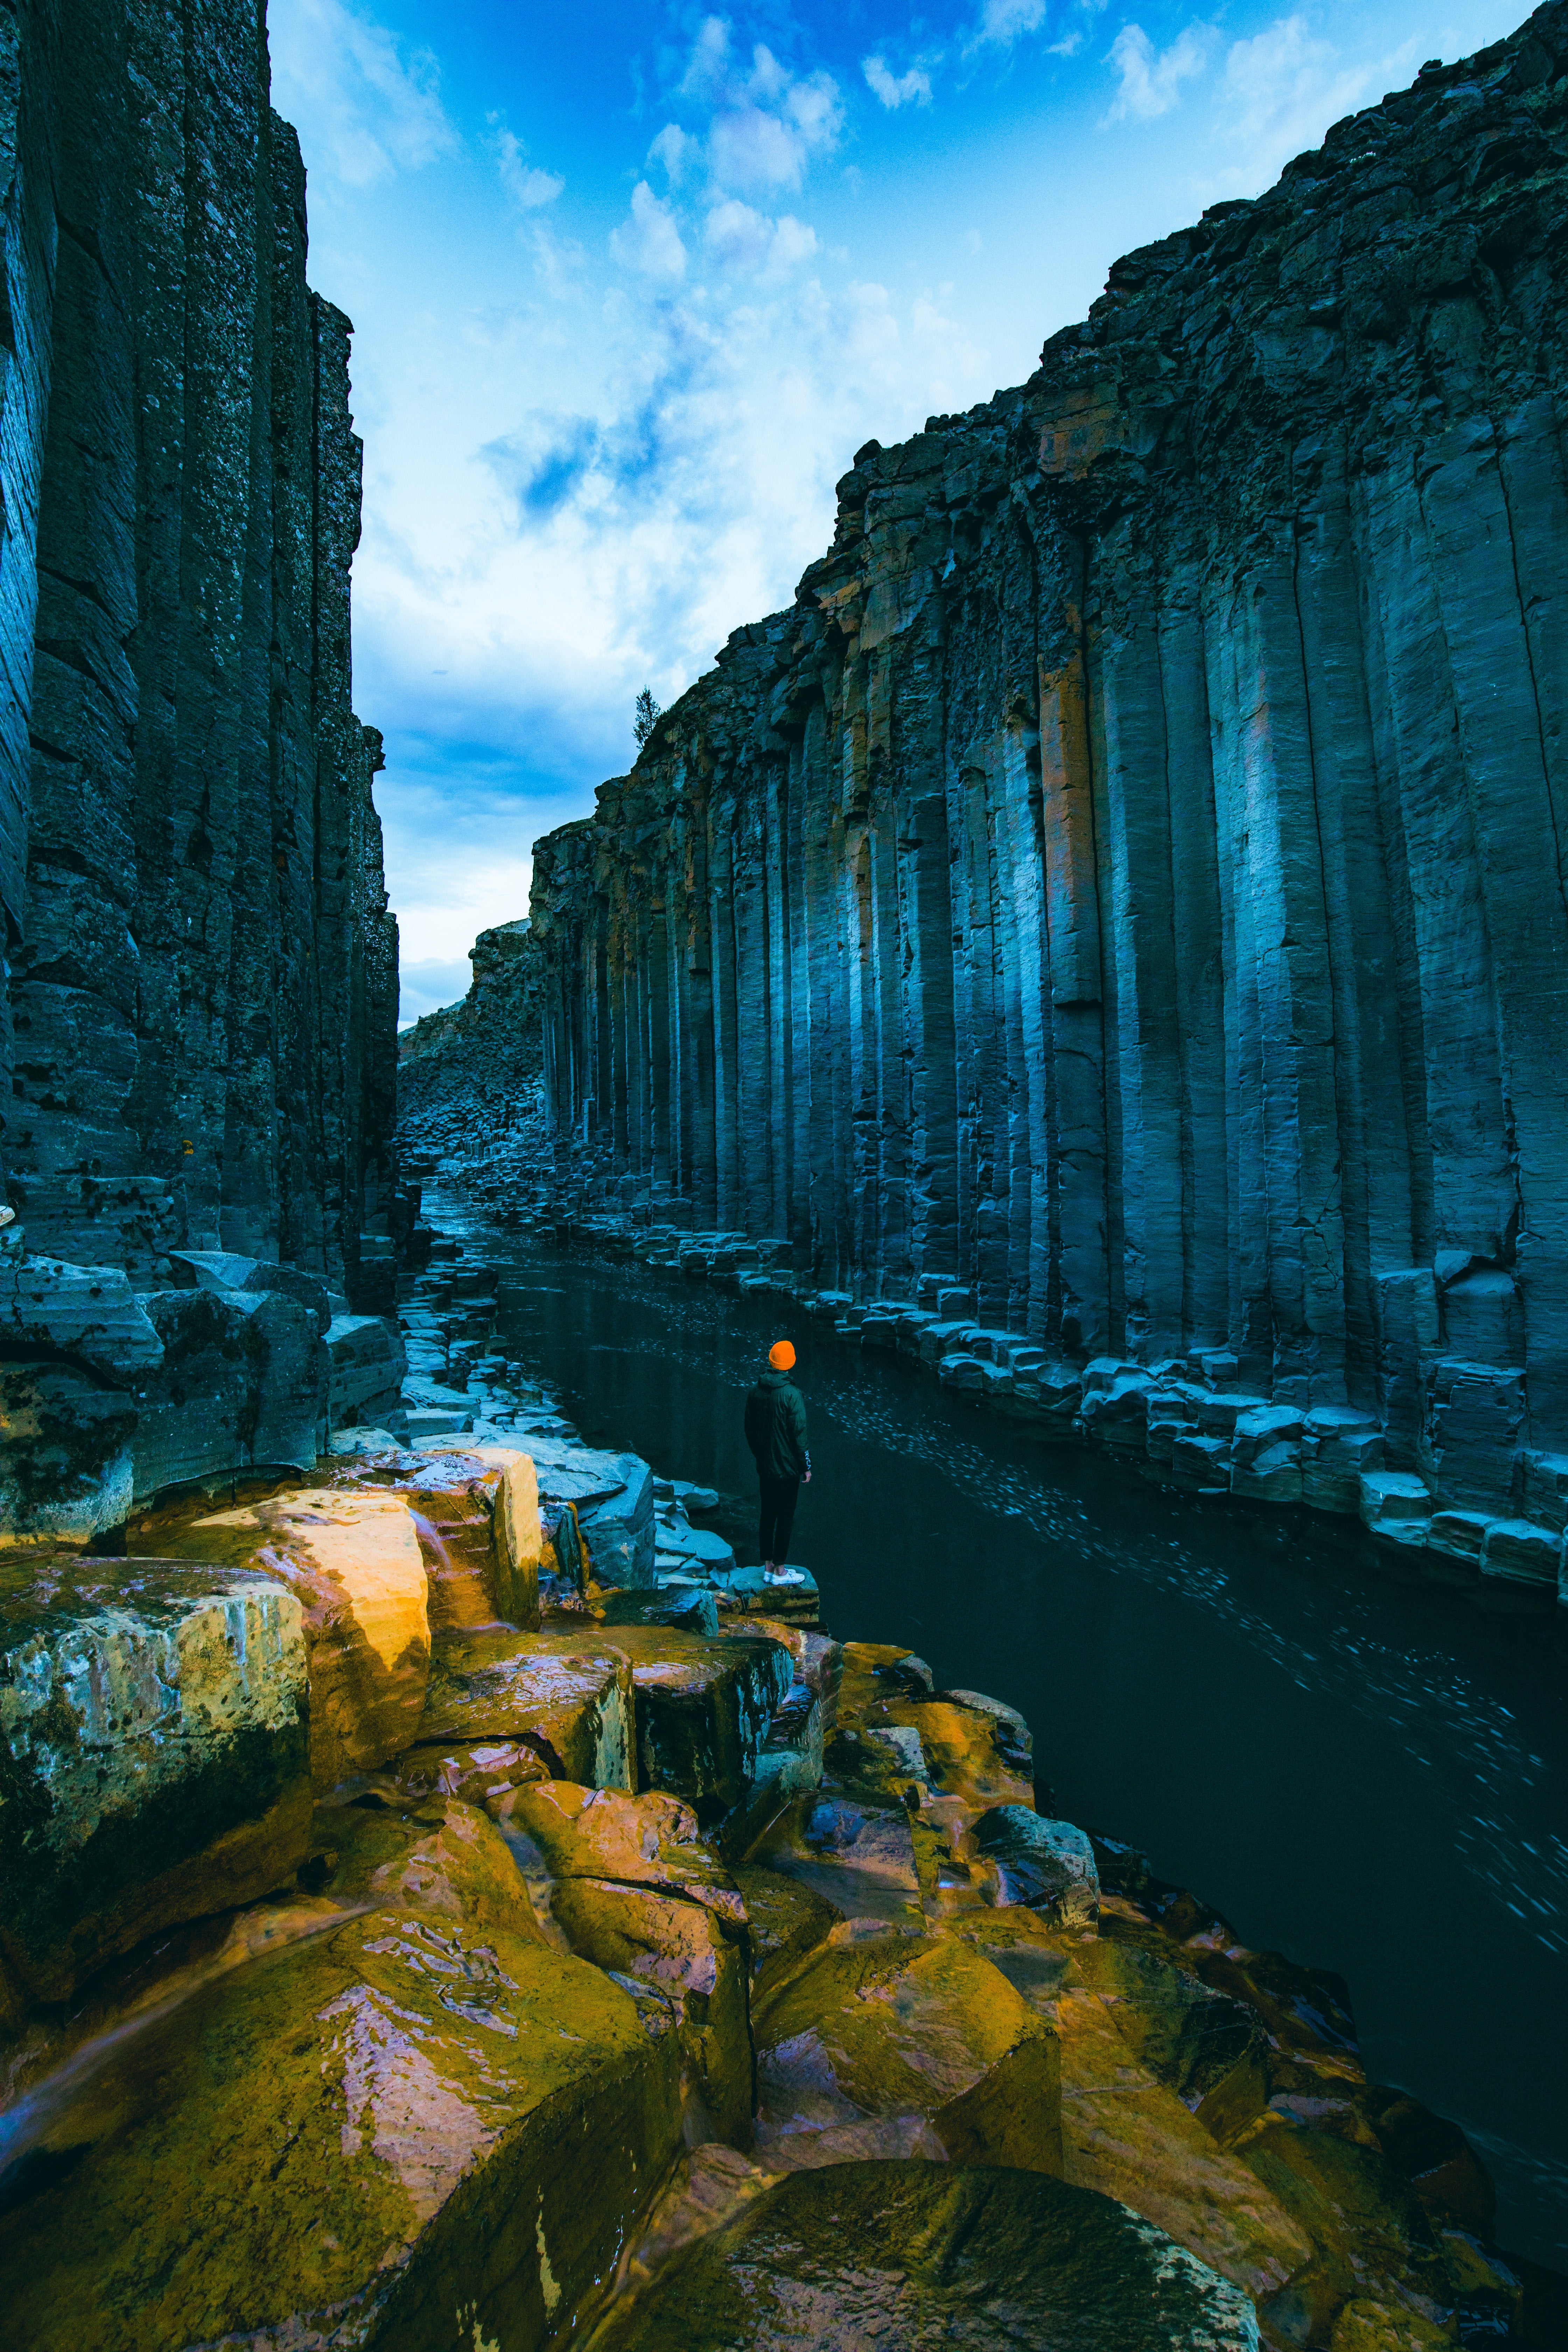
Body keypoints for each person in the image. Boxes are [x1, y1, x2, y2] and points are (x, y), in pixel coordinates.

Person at [744, 1339, 811, 1579]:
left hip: (766, 1468)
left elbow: (749, 1429)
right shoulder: (793, 1395)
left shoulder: (755, 1391)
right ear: (790, 1364)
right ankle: (781, 1570)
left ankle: (768, 1566)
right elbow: (799, 1435)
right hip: (788, 1470)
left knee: (767, 1515)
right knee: (786, 1517)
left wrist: (761, 1456)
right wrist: (806, 1467)